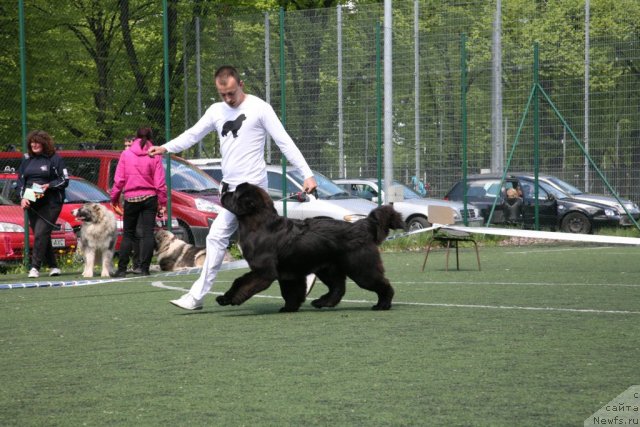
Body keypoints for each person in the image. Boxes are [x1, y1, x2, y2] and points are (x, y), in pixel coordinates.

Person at [148, 65, 318, 311]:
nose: (228, 99)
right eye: (222, 94)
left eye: (231, 93)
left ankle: (196, 297)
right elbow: (193, 134)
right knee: (266, 242)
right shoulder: (216, 111)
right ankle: (304, 270)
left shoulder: (260, 108)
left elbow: (285, 142)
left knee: (219, 237)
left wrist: (307, 174)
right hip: (230, 191)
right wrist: (166, 147)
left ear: (241, 85)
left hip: (251, 193)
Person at [111, 127, 167, 277]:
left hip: (131, 198)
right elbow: (160, 183)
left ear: (135, 137)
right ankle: (144, 268)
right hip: (150, 197)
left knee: (128, 234)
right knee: (148, 233)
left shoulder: (126, 154)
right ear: (151, 138)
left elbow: (119, 180)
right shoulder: (155, 155)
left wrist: (114, 198)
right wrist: (162, 202)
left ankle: (122, 269)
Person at [16, 130, 69, 278]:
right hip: (32, 198)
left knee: (40, 233)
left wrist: (49, 185)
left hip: (51, 201)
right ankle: (53, 266)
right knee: (42, 234)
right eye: (32, 142)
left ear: (44, 144)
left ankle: (35, 267)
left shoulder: (55, 159)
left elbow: (64, 180)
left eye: (37, 142)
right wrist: (23, 198)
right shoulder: (27, 160)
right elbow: (20, 182)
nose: (34, 144)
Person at [123, 134, 143, 274]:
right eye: (125, 146)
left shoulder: (142, 158)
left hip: (143, 198)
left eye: (130, 145)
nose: (127, 148)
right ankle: (131, 264)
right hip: (129, 199)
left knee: (140, 232)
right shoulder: (124, 158)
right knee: (130, 233)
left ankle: (139, 264)